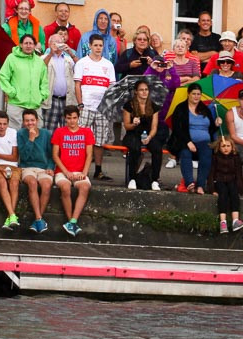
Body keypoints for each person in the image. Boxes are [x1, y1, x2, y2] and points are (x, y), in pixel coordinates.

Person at [73, 34, 115, 182]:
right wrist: (80, 105)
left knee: (99, 141)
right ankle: (76, 168)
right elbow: (77, 85)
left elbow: (111, 88)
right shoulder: (82, 63)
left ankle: (98, 171)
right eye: (95, 45)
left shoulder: (108, 65)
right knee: (79, 138)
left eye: (100, 45)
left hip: (102, 109)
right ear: (90, 46)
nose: (98, 48)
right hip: (86, 107)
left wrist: (108, 106)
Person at [51, 105, 93, 236]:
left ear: (78, 118)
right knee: (65, 187)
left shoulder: (86, 132)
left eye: (74, 118)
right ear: (65, 118)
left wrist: (85, 172)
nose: (72, 121)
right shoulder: (59, 132)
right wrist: (65, 172)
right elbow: (55, 155)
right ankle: (71, 221)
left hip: (80, 171)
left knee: (85, 187)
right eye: (69, 118)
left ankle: (73, 221)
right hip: (62, 171)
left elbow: (89, 154)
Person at [120, 78, 163, 190]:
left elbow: (154, 127)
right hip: (133, 133)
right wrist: (133, 124)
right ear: (136, 92)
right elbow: (126, 126)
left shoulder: (153, 106)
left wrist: (149, 137)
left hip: (147, 134)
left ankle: (154, 180)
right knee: (135, 148)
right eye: (141, 90)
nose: (144, 92)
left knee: (157, 149)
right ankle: (132, 178)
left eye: (146, 90)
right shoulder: (129, 106)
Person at [0, 34, 47, 130]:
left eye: (31, 43)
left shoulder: (39, 62)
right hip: (17, 104)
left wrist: (42, 95)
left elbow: (44, 81)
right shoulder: (11, 58)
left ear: (34, 45)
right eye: (26, 43)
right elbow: (3, 76)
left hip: (35, 104)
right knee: (14, 134)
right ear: (20, 45)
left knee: (37, 132)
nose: (28, 46)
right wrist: (12, 92)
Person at [16, 108, 53, 233]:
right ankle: (38, 218)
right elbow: (24, 156)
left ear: (37, 121)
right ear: (23, 122)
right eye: (27, 121)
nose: (30, 123)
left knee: (46, 185)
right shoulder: (21, 134)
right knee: (32, 183)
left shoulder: (46, 134)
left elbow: (51, 154)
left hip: (43, 168)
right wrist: (31, 139)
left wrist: (50, 167)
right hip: (27, 167)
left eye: (32, 120)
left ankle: (38, 218)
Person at [0, 111, 21, 231]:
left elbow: (14, 157)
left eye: (4, 124)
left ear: (8, 124)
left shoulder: (13, 133)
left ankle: (10, 216)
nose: (2, 126)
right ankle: (12, 215)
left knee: (14, 183)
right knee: (1, 182)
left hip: (13, 166)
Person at [206, 136, 243, 234]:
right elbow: (211, 173)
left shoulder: (236, 158)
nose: (226, 148)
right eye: (223, 146)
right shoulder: (215, 157)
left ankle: (235, 220)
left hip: (231, 180)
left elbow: (239, 173)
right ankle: (223, 222)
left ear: (232, 147)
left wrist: (240, 188)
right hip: (219, 180)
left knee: (234, 194)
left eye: (228, 146)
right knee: (223, 195)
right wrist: (212, 189)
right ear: (219, 148)